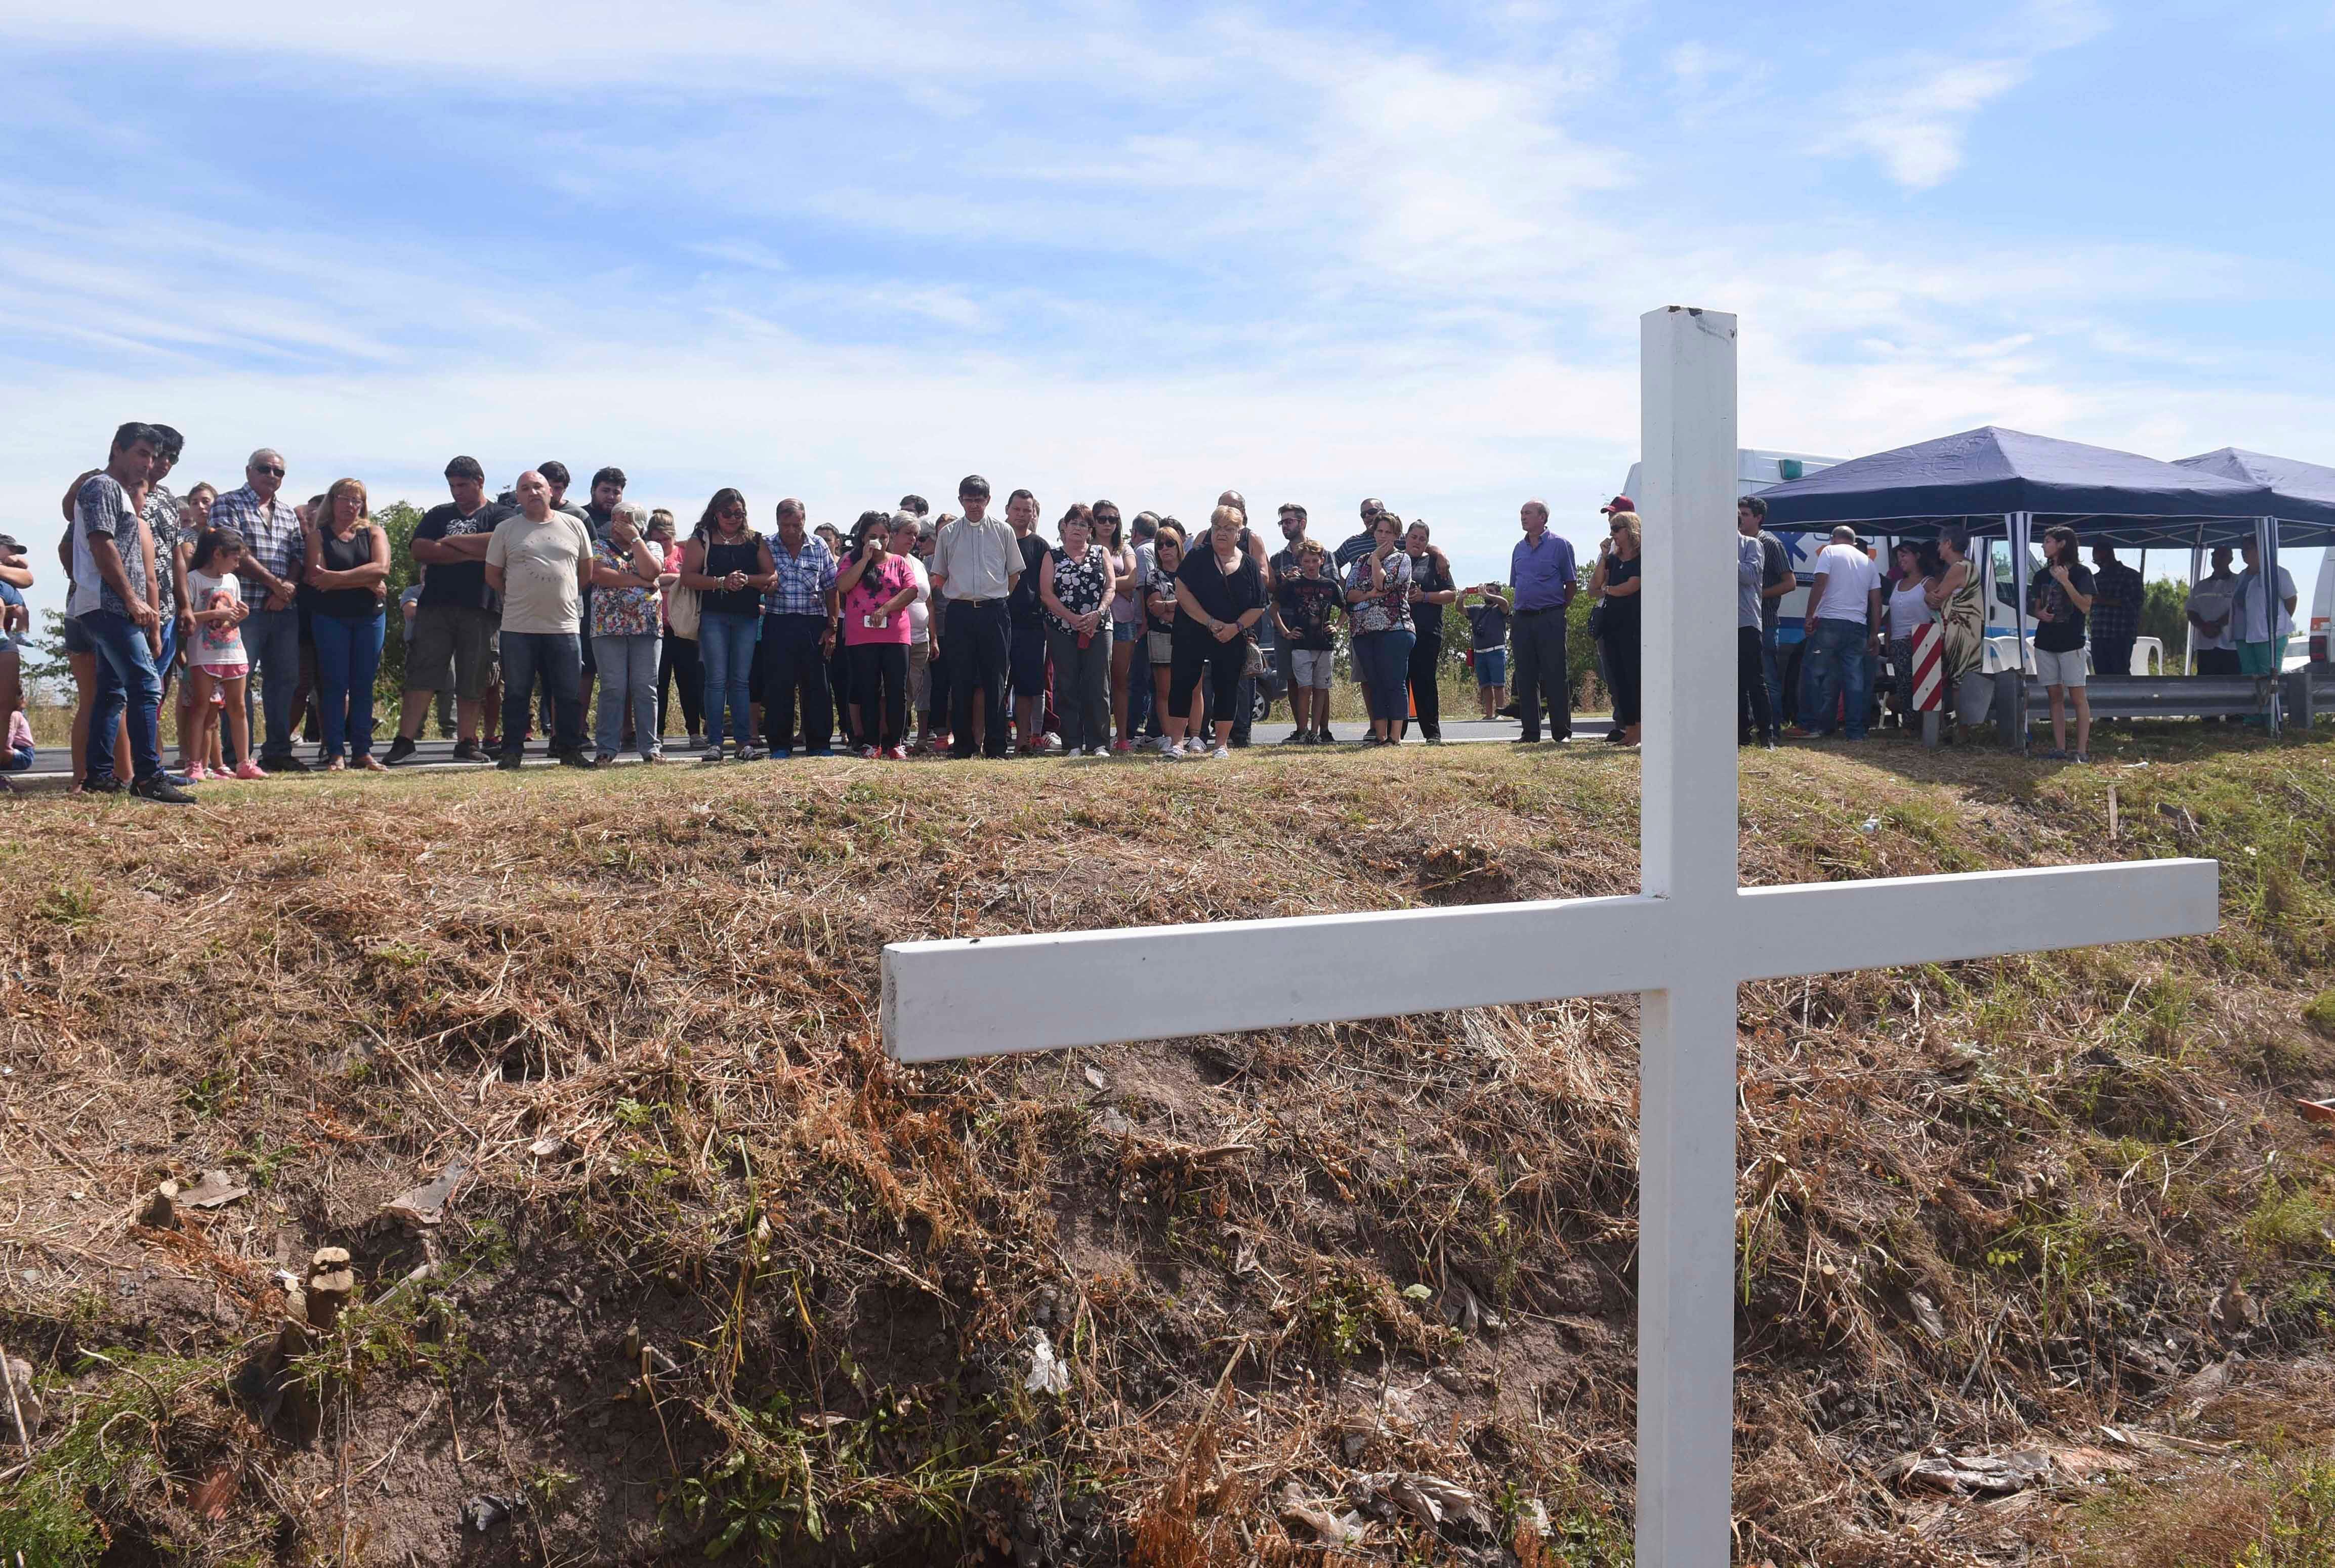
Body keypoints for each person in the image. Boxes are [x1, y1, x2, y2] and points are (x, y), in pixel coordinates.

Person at [68, 422, 190, 801]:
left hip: (115, 606)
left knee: (112, 692)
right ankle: (149, 778)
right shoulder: (102, 487)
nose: (148, 463)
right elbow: (102, 544)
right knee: (145, 684)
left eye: (153, 457)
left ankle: (100, 777)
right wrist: (133, 600)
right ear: (117, 449)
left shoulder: (119, 493)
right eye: (141, 453)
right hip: (108, 605)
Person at [387, 457, 510, 766]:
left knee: (474, 675)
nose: (457, 492)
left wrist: (450, 543)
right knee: (422, 672)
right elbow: (419, 550)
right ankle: (405, 741)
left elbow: (498, 544)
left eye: (463, 485)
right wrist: (471, 551)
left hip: (482, 607)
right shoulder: (438, 514)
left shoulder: (501, 514)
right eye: (452, 486)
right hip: (435, 607)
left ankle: (467, 742)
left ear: (480, 481)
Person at [204, 448, 308, 771]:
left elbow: (299, 554)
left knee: (285, 680)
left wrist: (286, 590)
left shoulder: (289, 513)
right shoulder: (228, 503)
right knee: (238, 682)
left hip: (283, 610)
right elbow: (233, 552)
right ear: (249, 471)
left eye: (279, 472)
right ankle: (238, 756)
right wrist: (276, 585)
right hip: (242, 609)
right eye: (266, 469)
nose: (272, 476)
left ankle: (278, 752)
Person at [484, 471, 595, 770]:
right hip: (518, 626)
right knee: (517, 693)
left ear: (551, 492)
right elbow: (493, 575)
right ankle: (512, 752)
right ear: (518, 496)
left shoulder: (574, 525)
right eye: (525, 488)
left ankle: (570, 750)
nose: (533, 492)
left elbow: (585, 572)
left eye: (538, 487)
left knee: (569, 693)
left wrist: (563, 595)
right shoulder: (506, 529)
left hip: (564, 625)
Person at [1162, 506, 1265, 759]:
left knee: (1227, 685)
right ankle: (1176, 744)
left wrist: (1235, 628)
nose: (1222, 533)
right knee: (1183, 684)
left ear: (1239, 533)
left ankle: (1221, 745)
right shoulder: (1197, 556)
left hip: (1231, 634)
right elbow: (1182, 592)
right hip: (1193, 630)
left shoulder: (1250, 564)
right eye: (1218, 527)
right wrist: (1208, 622)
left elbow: (1259, 605)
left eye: (1229, 529)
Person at [303, 478, 391, 771]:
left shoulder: (375, 532)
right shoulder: (319, 536)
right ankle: (336, 752)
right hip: (331, 618)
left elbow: (382, 569)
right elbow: (317, 579)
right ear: (333, 501)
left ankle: (363, 751)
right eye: (345, 498)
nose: (351, 506)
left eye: (357, 500)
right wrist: (365, 581)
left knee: (363, 684)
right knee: (334, 684)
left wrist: (338, 578)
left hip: (370, 618)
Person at [681, 490, 775, 764]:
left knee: (740, 681)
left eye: (739, 513)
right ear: (715, 513)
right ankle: (715, 743)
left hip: (746, 617)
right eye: (727, 513)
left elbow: (771, 575)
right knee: (716, 680)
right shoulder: (702, 539)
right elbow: (687, 577)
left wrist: (747, 580)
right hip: (713, 616)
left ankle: (744, 743)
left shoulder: (755, 539)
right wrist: (721, 582)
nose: (734, 518)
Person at [930, 475, 1020, 759]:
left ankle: (996, 746)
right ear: (960, 501)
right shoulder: (948, 533)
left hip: (994, 611)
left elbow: (1014, 573)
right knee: (960, 679)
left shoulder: (1003, 531)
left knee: (996, 680)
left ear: (988, 501)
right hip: (960, 612)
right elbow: (939, 576)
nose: (974, 506)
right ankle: (964, 745)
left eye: (979, 500)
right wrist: (962, 595)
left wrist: (998, 596)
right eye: (968, 500)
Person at [587, 501, 672, 766]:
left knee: (646, 687)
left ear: (640, 525)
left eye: (625, 521)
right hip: (607, 627)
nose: (617, 525)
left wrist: (635, 539)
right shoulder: (599, 546)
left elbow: (653, 570)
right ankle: (607, 749)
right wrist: (639, 581)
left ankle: (650, 748)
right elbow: (601, 576)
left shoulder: (652, 547)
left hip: (646, 627)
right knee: (613, 688)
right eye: (615, 520)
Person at [758, 498, 839, 759]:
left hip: (813, 624)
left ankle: (819, 744)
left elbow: (831, 587)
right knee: (779, 686)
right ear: (777, 522)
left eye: (797, 524)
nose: (791, 530)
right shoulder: (767, 545)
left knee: (816, 686)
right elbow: (758, 582)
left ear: (805, 520)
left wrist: (832, 627)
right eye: (786, 525)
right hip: (778, 622)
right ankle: (780, 745)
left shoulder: (819, 547)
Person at [834, 510, 918, 759]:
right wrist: (865, 560)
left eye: (883, 537)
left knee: (896, 690)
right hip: (862, 636)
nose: (878, 542)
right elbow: (843, 586)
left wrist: (886, 609)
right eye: (873, 536)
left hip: (895, 635)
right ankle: (871, 743)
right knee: (867, 688)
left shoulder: (899, 561)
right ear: (863, 538)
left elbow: (911, 590)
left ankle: (896, 742)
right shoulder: (851, 560)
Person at [184, 527, 265, 781]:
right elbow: (186, 618)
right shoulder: (194, 579)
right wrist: (214, 615)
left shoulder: (232, 581)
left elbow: (233, 619)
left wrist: (240, 617)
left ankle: (244, 762)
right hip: (204, 653)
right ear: (217, 553)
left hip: (232, 651)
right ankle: (195, 764)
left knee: (238, 706)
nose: (238, 564)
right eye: (235, 558)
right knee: (201, 707)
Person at [1039, 503, 1116, 756]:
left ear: (1090, 530)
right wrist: (1072, 618)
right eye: (1073, 523)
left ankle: (1100, 743)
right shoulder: (1053, 556)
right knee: (1067, 684)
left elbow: (1111, 588)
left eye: (1083, 524)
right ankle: (1073, 742)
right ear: (1065, 526)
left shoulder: (1101, 552)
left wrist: (1099, 613)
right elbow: (1046, 594)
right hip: (1062, 628)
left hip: (1099, 627)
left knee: (1098, 685)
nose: (1077, 528)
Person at [1798, 525, 1881, 741]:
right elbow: (1876, 600)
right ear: (1854, 542)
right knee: (1854, 679)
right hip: (1857, 626)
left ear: (1833, 538)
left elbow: (1820, 582)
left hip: (1829, 622)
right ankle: (1855, 732)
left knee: (1814, 674)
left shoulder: (1829, 552)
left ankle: (1810, 726)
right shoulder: (1868, 562)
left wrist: (1809, 615)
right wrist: (1874, 632)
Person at [1508, 499, 1577, 744]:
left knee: (1555, 675)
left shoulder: (1561, 546)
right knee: (1526, 676)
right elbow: (1517, 584)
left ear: (1543, 518)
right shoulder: (1518, 548)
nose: (1523, 517)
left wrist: (1558, 610)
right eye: (1521, 513)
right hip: (1523, 619)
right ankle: (1531, 733)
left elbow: (1571, 585)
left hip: (1550, 617)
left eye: (1528, 513)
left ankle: (1561, 733)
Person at [1345, 510, 1415, 746]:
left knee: (1394, 682)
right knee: (1374, 684)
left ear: (1396, 535)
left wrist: (1376, 560)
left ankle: (1395, 738)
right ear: (1373, 532)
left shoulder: (1402, 559)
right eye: (1379, 531)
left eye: (1389, 532)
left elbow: (1383, 583)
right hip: (1363, 631)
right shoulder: (1359, 561)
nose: (1383, 536)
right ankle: (1380, 735)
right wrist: (1368, 594)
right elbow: (1349, 594)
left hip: (1395, 629)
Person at [2027, 523, 2095, 760]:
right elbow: (2035, 607)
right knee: (2054, 695)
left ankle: (2082, 751)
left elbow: (2086, 606)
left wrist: (2066, 582)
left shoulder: (2082, 573)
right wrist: (2039, 614)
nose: (2044, 546)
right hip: (2045, 641)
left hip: (2072, 643)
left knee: (2078, 697)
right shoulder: (2040, 575)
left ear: (2062, 544)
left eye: (2048, 541)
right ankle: (2059, 748)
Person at [999, 488, 1054, 753]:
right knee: (995, 683)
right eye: (1017, 509)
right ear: (1007, 509)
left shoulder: (1041, 545)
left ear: (1034, 513)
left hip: (1031, 624)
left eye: (1027, 510)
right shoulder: (995, 538)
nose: (1021, 514)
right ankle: (993, 738)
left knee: (1027, 686)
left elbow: (1046, 589)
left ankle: (1023, 741)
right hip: (997, 619)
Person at [1926, 526, 1991, 742]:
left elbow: (1937, 597)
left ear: (1949, 544)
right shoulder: (1970, 566)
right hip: (1967, 630)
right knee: (1959, 680)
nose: (1938, 548)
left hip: (1960, 630)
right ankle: (1959, 729)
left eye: (1940, 543)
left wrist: (1928, 596)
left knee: (1958, 681)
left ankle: (1961, 732)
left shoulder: (1958, 568)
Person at [1586, 510, 1644, 746]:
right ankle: (1629, 732)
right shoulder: (1613, 559)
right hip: (1611, 625)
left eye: (1616, 530)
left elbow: (1631, 587)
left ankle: (1641, 731)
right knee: (1618, 679)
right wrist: (1603, 556)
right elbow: (1593, 587)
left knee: (1634, 678)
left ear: (1630, 531)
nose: (1612, 535)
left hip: (1634, 624)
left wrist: (1608, 590)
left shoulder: (1642, 558)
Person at [1276, 539, 1341, 742]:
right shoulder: (1293, 584)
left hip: (1324, 644)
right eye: (1307, 561)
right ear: (1301, 562)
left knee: (1321, 689)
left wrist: (1337, 626)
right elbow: (1272, 609)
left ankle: (1316, 732)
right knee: (1304, 688)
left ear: (1322, 561)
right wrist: (1286, 632)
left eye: (1315, 561)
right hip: (1301, 644)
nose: (1311, 565)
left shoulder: (1330, 585)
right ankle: (1302, 731)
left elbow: (1346, 608)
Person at [2230, 536, 2298, 727]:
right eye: (2242, 549)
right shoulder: (2243, 576)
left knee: (2268, 675)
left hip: (2270, 635)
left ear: (2261, 550)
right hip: (2244, 635)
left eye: (2248, 548)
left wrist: (2276, 625)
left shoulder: (2278, 573)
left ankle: (2271, 720)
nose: (2244, 552)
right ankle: (2252, 719)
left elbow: (2291, 600)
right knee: (2249, 675)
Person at [1736, 497, 1793, 720]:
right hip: (1738, 621)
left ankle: (1773, 729)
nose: (1741, 518)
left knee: (1766, 678)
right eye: (1739, 513)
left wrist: (1757, 596)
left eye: (1746, 514)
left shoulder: (1769, 543)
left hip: (1764, 620)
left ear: (1759, 518)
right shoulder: (1736, 543)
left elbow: (1790, 582)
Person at [1402, 521, 1456, 743]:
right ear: (1406, 537)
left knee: (1425, 681)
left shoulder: (1435, 562)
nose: (1417, 542)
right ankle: (1397, 733)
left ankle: (1432, 733)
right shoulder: (1397, 560)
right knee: (1400, 682)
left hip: (1428, 631)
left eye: (1422, 539)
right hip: (1399, 631)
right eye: (1414, 537)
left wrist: (1425, 597)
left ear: (1427, 542)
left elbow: (1452, 595)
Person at [888, 513, 937, 750]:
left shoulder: (918, 563)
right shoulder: (884, 561)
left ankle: (899, 736)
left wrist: (933, 637)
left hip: (920, 638)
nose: (914, 539)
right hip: (894, 636)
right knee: (892, 690)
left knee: (911, 691)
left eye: (916, 535)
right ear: (893, 534)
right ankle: (887, 739)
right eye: (908, 534)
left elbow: (928, 602)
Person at [1095, 501, 1141, 751]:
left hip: (1122, 621)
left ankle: (1122, 738)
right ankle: (1095, 738)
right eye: (1101, 519)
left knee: (1120, 682)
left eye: (1112, 519)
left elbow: (1134, 579)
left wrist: (1101, 584)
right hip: (1093, 621)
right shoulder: (1084, 547)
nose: (1107, 524)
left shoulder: (1125, 549)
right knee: (1094, 682)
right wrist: (1115, 585)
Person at [1881, 541, 1936, 728]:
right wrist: (1887, 634)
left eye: (1905, 555)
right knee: (1904, 685)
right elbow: (1892, 613)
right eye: (1899, 557)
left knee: (1922, 685)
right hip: (1898, 642)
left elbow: (1941, 612)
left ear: (1917, 556)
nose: (1901, 560)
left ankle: (1924, 725)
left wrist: (1926, 631)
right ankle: (1910, 724)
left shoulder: (1928, 583)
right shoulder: (1897, 584)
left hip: (1922, 641)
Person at [1736, 515, 1778, 749]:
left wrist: (1724, 555)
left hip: (1746, 622)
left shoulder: (1752, 545)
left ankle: (1767, 735)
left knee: (1755, 679)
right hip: (1719, 625)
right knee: (1732, 682)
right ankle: (1742, 733)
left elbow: (1749, 576)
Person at [2088, 544, 2144, 680]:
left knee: (2120, 675)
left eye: (2098, 561)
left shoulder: (2131, 576)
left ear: (2109, 556)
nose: (2098, 565)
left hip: (2121, 635)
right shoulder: (2095, 579)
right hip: (2098, 634)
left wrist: (2103, 600)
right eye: (2095, 562)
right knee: (2101, 676)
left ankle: (2125, 702)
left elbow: (2136, 603)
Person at [2185, 545, 2241, 678]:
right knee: (2206, 686)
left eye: (2222, 555)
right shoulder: (2200, 586)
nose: (2217, 558)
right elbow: (2191, 610)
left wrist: (2217, 625)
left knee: (2232, 687)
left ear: (2231, 559)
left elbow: (2240, 609)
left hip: (2231, 646)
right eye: (2214, 555)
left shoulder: (2238, 582)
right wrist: (2204, 627)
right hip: (2205, 646)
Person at [1466, 582, 1511, 721]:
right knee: (1485, 685)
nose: (1487, 593)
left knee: (1498, 684)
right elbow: (1460, 609)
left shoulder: (1500, 609)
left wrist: (1487, 594)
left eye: (1491, 591)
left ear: (1498, 593)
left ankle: (1500, 713)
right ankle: (1489, 714)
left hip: (1496, 651)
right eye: (1487, 590)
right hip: (1480, 653)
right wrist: (1461, 597)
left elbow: (1505, 604)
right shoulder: (1477, 609)